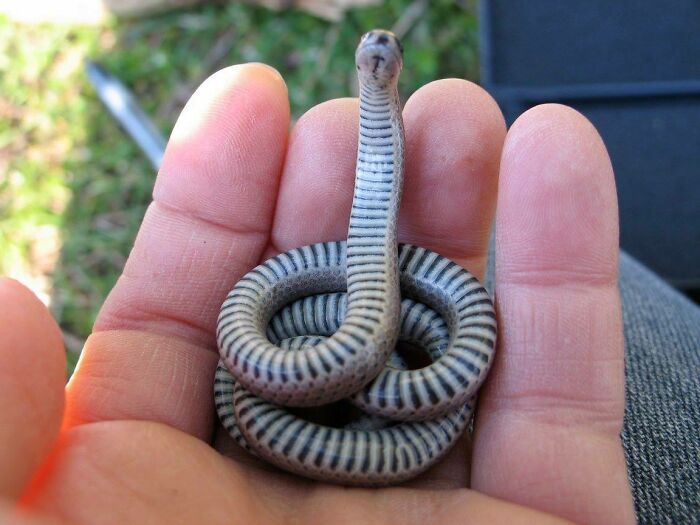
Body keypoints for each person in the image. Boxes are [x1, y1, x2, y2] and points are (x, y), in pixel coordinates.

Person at [1, 63, 697, 524]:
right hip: (295, 373)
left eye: (379, 63)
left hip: (383, 375)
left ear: (383, 80)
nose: (374, 63)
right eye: (370, 62)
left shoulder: (385, 130)